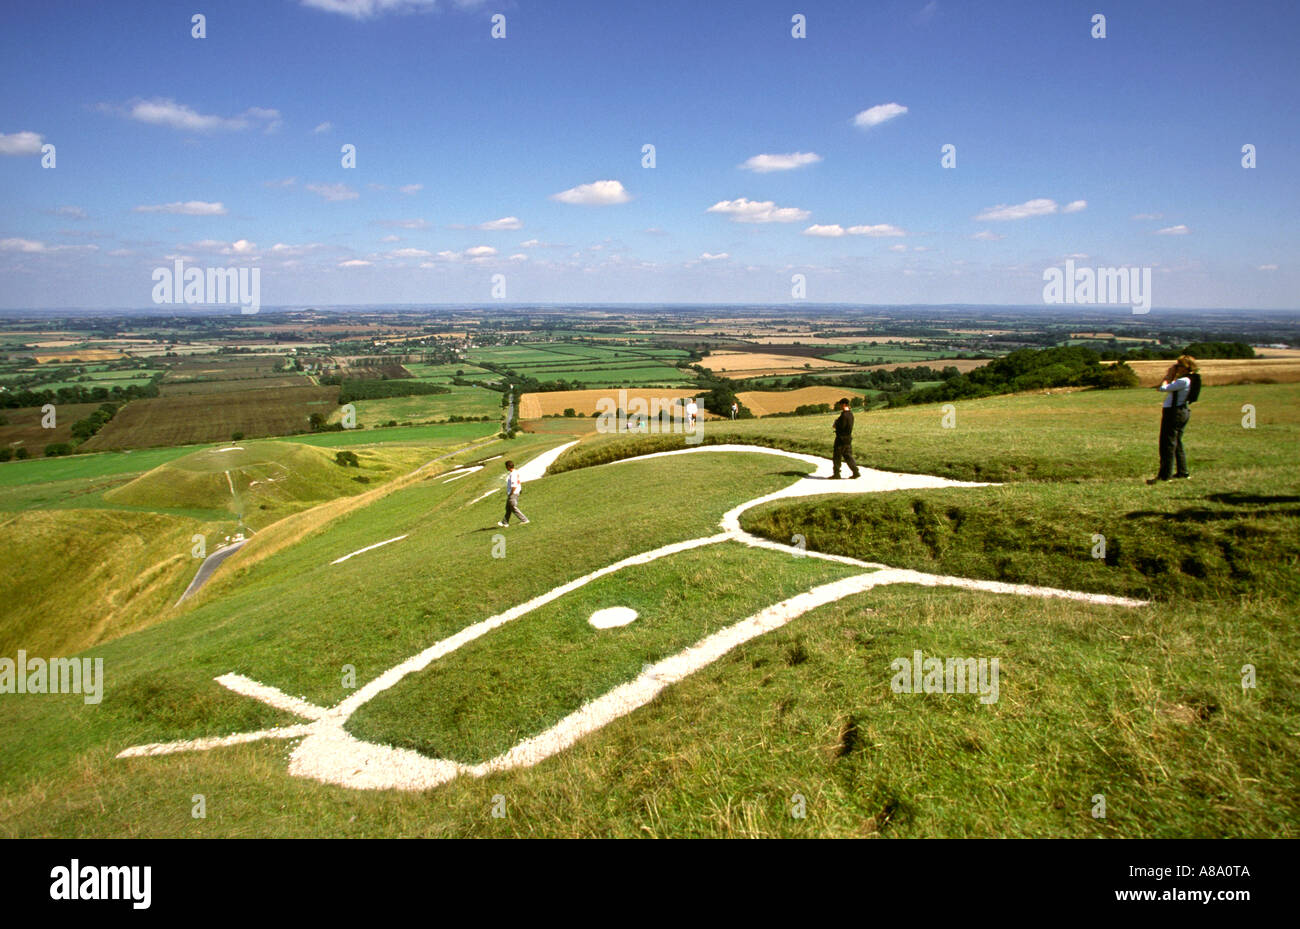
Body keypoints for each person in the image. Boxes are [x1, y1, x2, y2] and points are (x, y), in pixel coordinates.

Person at [1148, 355, 1197, 484]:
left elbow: (1162, 388)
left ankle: (1165, 475)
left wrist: (1168, 376)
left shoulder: (1183, 380)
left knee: (1167, 444)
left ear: (1186, 367)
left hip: (1174, 412)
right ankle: (1182, 471)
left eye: (1179, 365)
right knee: (1177, 442)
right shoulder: (1193, 379)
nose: (1177, 368)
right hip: (1182, 411)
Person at [830, 398, 860, 479]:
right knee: (848, 456)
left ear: (843, 404)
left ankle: (836, 474)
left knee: (837, 456)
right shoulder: (851, 414)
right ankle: (856, 472)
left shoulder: (844, 415)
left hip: (841, 439)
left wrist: (836, 423)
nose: (839, 406)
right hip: (848, 438)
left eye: (840, 404)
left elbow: (841, 426)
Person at [498, 459, 530, 526]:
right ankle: (505, 522)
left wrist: (511, 493)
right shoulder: (516, 472)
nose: (506, 468)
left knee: (513, 507)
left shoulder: (512, 474)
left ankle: (524, 520)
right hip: (515, 492)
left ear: (508, 467)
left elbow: (514, 485)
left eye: (506, 466)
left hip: (513, 493)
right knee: (508, 508)